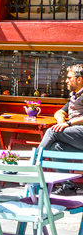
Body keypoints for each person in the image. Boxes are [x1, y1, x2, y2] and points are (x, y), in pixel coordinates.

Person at [39, 64, 83, 193]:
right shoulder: (75, 96)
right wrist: (61, 122)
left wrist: (68, 124)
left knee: (52, 132)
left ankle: (34, 164)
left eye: (69, 78)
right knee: (56, 147)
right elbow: (59, 112)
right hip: (77, 136)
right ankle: (67, 186)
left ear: (79, 79)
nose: (66, 81)